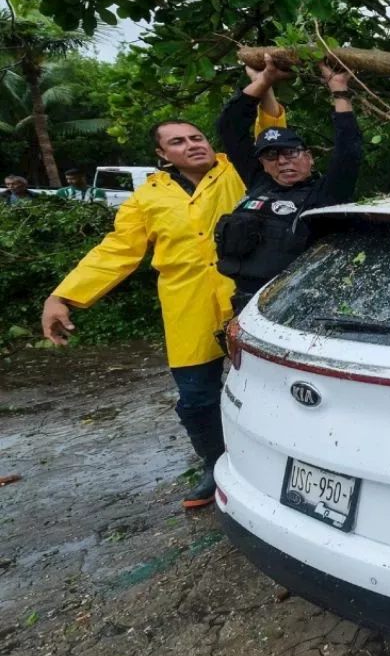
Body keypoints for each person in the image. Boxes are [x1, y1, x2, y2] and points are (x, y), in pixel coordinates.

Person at [40, 86, 287, 511]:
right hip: (186, 305)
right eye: (178, 141)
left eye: (196, 137)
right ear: (161, 154)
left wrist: (263, 86)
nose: (192, 145)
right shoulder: (148, 197)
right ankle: (216, 464)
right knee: (196, 397)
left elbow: (272, 133)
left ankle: (284, 465)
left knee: (273, 386)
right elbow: (117, 250)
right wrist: (63, 296)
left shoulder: (240, 172)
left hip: (249, 299)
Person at [215, 55, 363, 314]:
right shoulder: (259, 181)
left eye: (291, 153)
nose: (283, 162)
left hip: (297, 306)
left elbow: (349, 150)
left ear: (309, 156)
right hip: (246, 305)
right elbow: (230, 126)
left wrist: (339, 90)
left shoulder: (325, 194)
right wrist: (263, 81)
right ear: (262, 162)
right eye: (271, 155)